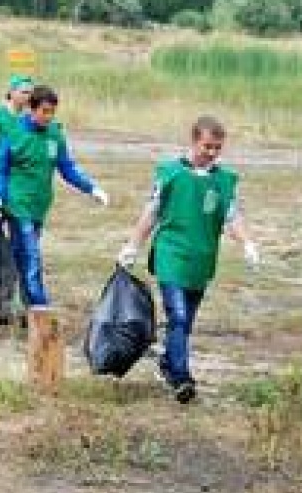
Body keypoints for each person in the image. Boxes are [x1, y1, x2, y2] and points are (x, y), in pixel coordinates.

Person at [116, 115, 260, 404]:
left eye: (217, 147)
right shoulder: (170, 174)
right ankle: (182, 379)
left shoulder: (224, 180)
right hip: (171, 255)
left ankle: (168, 364)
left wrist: (247, 243)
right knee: (178, 317)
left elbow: (232, 216)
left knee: (185, 323)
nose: (212, 152)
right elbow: (151, 212)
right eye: (207, 146)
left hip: (201, 261)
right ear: (194, 141)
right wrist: (132, 245)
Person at [0, 85, 110, 309]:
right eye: (44, 111)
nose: (48, 116)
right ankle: (39, 305)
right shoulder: (13, 133)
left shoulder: (55, 134)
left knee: (20, 253)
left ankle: (17, 302)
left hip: (39, 205)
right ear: (32, 109)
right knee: (31, 253)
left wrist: (92, 189)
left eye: (52, 111)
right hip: (17, 203)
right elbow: (0, 170)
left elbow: (67, 168)